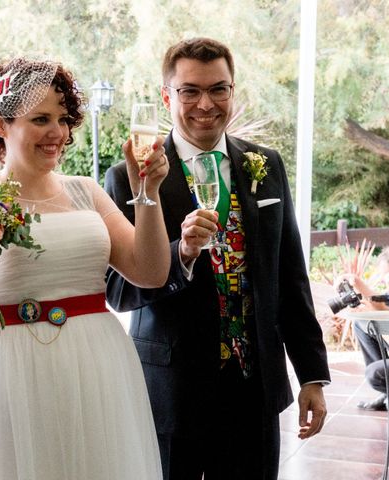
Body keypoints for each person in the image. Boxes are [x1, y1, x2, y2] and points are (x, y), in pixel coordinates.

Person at [0, 58, 170, 479]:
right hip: (7, 375)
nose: (57, 133)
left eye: (62, 118)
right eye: (40, 119)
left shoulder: (86, 192)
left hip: (97, 369)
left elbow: (150, 272)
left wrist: (147, 194)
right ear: (1, 125)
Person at [104, 38, 330, 480]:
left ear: (232, 91)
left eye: (219, 89)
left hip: (254, 388)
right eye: (190, 91)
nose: (205, 104)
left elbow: (290, 273)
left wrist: (312, 376)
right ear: (167, 97)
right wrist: (181, 254)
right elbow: (118, 293)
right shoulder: (127, 176)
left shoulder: (265, 164)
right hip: (172, 392)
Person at [336, 245, 389, 411]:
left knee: (374, 373)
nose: (383, 281)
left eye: (385, 276)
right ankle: (388, 393)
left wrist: (358, 284)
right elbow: (383, 305)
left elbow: (383, 307)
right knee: (361, 323)